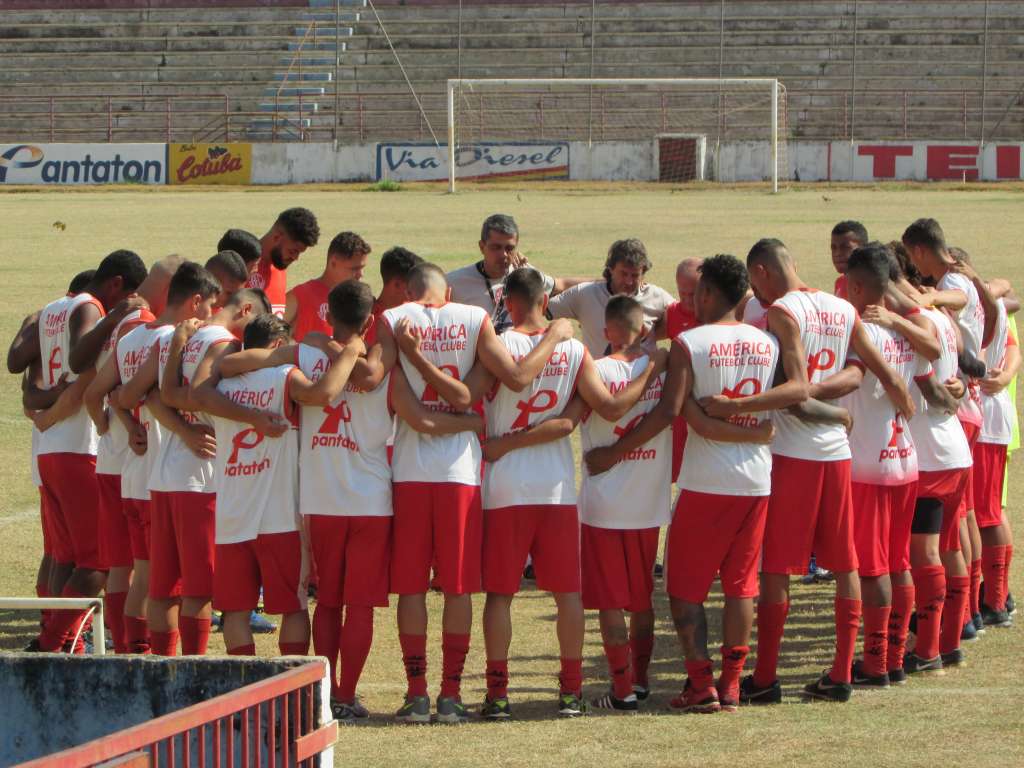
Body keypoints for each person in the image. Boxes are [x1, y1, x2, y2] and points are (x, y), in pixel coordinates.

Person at [711, 238, 913, 703]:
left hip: (793, 454)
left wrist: (739, 405)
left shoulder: (781, 312)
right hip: (837, 455)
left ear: (761, 272)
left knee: (777, 567)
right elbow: (865, 370)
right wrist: (858, 397)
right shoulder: (841, 309)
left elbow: (796, 391)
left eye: (756, 284)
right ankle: (841, 673)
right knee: (846, 563)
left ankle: (765, 677)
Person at [375, 262, 575, 723]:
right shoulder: (472, 318)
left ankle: (417, 693)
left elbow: (387, 389)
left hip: (409, 472)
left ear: (408, 291)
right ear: (447, 291)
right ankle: (450, 695)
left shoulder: (394, 319)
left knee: (411, 588)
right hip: (460, 473)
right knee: (458, 587)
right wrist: (555, 334)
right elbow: (514, 379)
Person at [465, 268, 659, 719]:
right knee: (567, 594)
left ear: (509, 302)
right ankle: (571, 693)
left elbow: (486, 391)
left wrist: (504, 442)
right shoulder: (574, 349)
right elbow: (586, 414)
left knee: (500, 595)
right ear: (544, 301)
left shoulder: (497, 344)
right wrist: (653, 366)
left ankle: (498, 695)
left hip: (505, 487)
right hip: (556, 488)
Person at [205, 314, 363, 657]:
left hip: (232, 517)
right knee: (293, 607)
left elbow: (192, 396)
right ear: (278, 345)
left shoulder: (220, 386)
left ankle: (246, 686)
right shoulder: (284, 376)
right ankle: (292, 683)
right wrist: (350, 353)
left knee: (235, 612)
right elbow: (322, 394)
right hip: (280, 517)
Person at [839, 244, 960, 686]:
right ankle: (892, 658)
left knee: (872, 569)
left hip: (868, 464)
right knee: (899, 562)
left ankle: (875, 664)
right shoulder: (907, 332)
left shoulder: (858, 333)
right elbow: (929, 371)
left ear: (855, 287)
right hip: (906, 461)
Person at [23, 250, 149, 652]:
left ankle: (64, 642)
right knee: (96, 562)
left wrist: (40, 406)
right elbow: (83, 377)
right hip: (80, 447)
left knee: (63, 556)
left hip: (50, 448)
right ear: (117, 285)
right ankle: (52, 643)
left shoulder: (52, 309)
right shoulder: (93, 310)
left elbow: (21, 362)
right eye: (127, 296)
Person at [576, 295, 671, 711]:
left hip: (604, 504)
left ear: (607, 331)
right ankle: (642, 680)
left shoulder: (596, 370)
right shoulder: (665, 369)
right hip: (648, 503)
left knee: (609, 601)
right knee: (641, 598)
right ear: (643, 328)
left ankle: (622, 689)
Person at [446, 213, 584, 334]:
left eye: (509, 248)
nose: (503, 254)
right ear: (482, 247)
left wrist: (598, 283)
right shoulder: (454, 282)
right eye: (496, 247)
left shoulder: (525, 275)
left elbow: (560, 285)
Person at [549, 238, 674, 356]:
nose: (629, 281)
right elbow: (543, 308)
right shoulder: (586, 294)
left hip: (644, 372)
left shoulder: (657, 297)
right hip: (597, 371)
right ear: (610, 269)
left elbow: (681, 320)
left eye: (635, 275)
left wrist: (653, 334)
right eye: (623, 274)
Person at [284, 232, 371, 342]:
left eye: (362, 268)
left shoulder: (360, 299)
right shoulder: (300, 296)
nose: (361, 274)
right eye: (355, 269)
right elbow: (271, 338)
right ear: (333, 263)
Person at [245, 208, 320, 317]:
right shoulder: (241, 265)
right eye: (292, 251)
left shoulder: (279, 267)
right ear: (277, 237)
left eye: (299, 253)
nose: (295, 258)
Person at [830, 220, 869, 299]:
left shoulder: (871, 284)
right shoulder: (840, 282)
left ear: (864, 248)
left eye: (845, 247)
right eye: (833, 248)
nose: (837, 253)